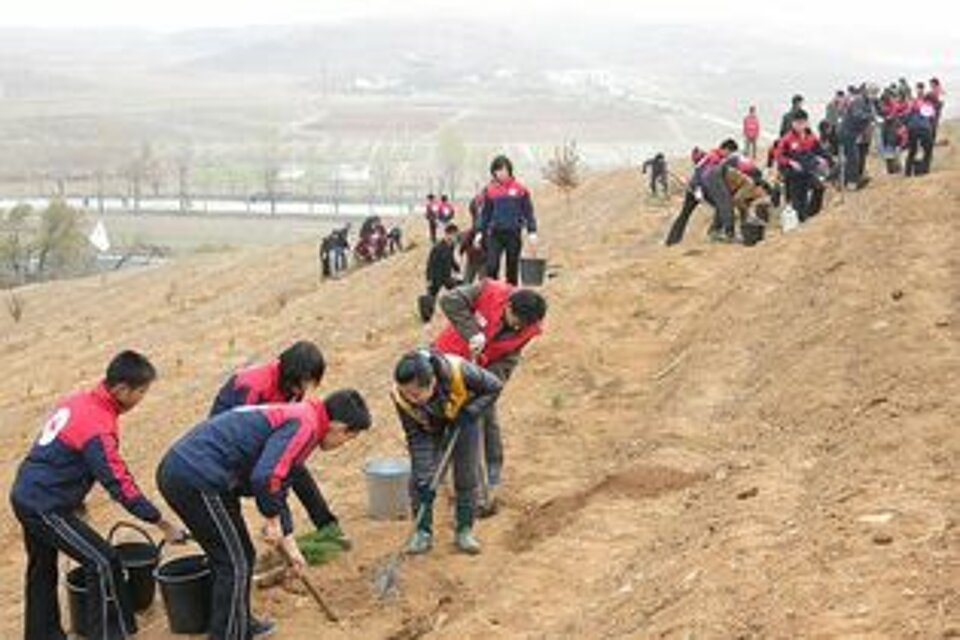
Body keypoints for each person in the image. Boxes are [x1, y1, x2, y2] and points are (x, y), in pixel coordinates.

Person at [157, 389, 371, 640]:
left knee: (239, 556)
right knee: (233, 562)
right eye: (349, 438)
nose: (343, 445)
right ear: (340, 427)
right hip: (196, 477)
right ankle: (229, 634)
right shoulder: (306, 425)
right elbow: (266, 476)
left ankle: (239, 623)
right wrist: (271, 520)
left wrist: (289, 544)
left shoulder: (306, 416)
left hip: (203, 475)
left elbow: (281, 482)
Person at [10, 351, 186, 640]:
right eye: (141, 391)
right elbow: (120, 484)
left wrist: (75, 500)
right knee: (103, 561)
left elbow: (58, 455)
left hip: (27, 492)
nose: (142, 399)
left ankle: (42, 635)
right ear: (121, 389)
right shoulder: (98, 426)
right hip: (45, 505)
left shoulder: (79, 401)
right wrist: (162, 524)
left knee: (41, 568)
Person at [209, 341, 350, 550]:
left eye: (310, 383)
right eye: (302, 384)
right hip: (229, 448)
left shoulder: (293, 384)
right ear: (288, 374)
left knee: (296, 468)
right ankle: (271, 539)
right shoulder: (254, 386)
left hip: (266, 436)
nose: (304, 390)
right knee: (271, 476)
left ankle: (328, 528)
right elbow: (240, 430)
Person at [434, 280, 546, 515]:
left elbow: (509, 359)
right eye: (516, 321)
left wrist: (486, 383)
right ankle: (441, 479)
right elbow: (449, 300)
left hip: (483, 371)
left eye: (523, 326)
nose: (518, 328)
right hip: (447, 360)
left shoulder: (528, 328)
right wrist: (473, 334)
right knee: (447, 418)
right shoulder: (490, 291)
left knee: (485, 417)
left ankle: (490, 480)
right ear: (508, 306)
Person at [392, 350, 502, 555]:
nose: (410, 399)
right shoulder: (402, 397)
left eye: (415, 394)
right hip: (428, 426)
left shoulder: (460, 371)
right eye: (405, 393)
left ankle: (464, 530)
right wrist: (425, 478)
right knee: (419, 480)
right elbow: (416, 437)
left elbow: (494, 386)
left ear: (432, 382)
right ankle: (422, 533)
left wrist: (472, 410)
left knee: (466, 473)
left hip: (464, 417)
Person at [476, 155, 537, 285]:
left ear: (509, 170)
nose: (501, 173)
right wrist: (480, 232)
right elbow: (485, 213)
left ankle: (511, 298)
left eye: (504, 170)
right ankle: (492, 296)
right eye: (497, 171)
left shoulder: (521, 190)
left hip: (513, 233)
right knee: (492, 266)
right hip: (495, 234)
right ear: (493, 173)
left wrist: (532, 231)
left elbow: (528, 212)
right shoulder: (490, 190)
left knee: (512, 269)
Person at [776, 110, 832, 222]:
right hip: (793, 175)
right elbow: (779, 156)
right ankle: (801, 220)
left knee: (819, 188)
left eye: (802, 122)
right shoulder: (787, 139)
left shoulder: (811, 137)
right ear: (793, 123)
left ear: (806, 122)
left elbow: (820, 151)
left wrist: (828, 160)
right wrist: (790, 162)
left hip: (808, 171)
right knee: (798, 201)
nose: (800, 125)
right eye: (797, 123)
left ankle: (812, 213)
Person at [838, 86, 874, 190]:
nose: (873, 95)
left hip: (853, 133)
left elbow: (870, 114)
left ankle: (849, 180)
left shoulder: (868, 102)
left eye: (875, 93)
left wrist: (873, 117)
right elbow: (857, 115)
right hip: (847, 133)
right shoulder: (858, 101)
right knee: (852, 158)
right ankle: (850, 183)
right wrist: (870, 117)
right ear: (866, 92)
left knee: (853, 158)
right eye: (872, 92)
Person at [426, 224, 461, 299]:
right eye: (454, 235)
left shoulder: (451, 246)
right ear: (448, 234)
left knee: (459, 288)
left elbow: (451, 258)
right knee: (431, 298)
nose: (456, 238)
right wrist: (429, 279)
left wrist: (456, 268)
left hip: (446, 276)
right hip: (436, 277)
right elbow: (430, 264)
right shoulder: (437, 247)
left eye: (456, 235)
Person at [459, 191, 487, 284]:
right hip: (473, 257)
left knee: (483, 283)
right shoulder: (471, 231)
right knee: (467, 281)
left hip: (483, 258)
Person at [904, 95, 935, 176]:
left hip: (912, 129)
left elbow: (905, 119)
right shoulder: (928, 107)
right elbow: (932, 119)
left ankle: (908, 172)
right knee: (927, 149)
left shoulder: (911, 107)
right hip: (924, 129)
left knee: (912, 150)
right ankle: (924, 169)